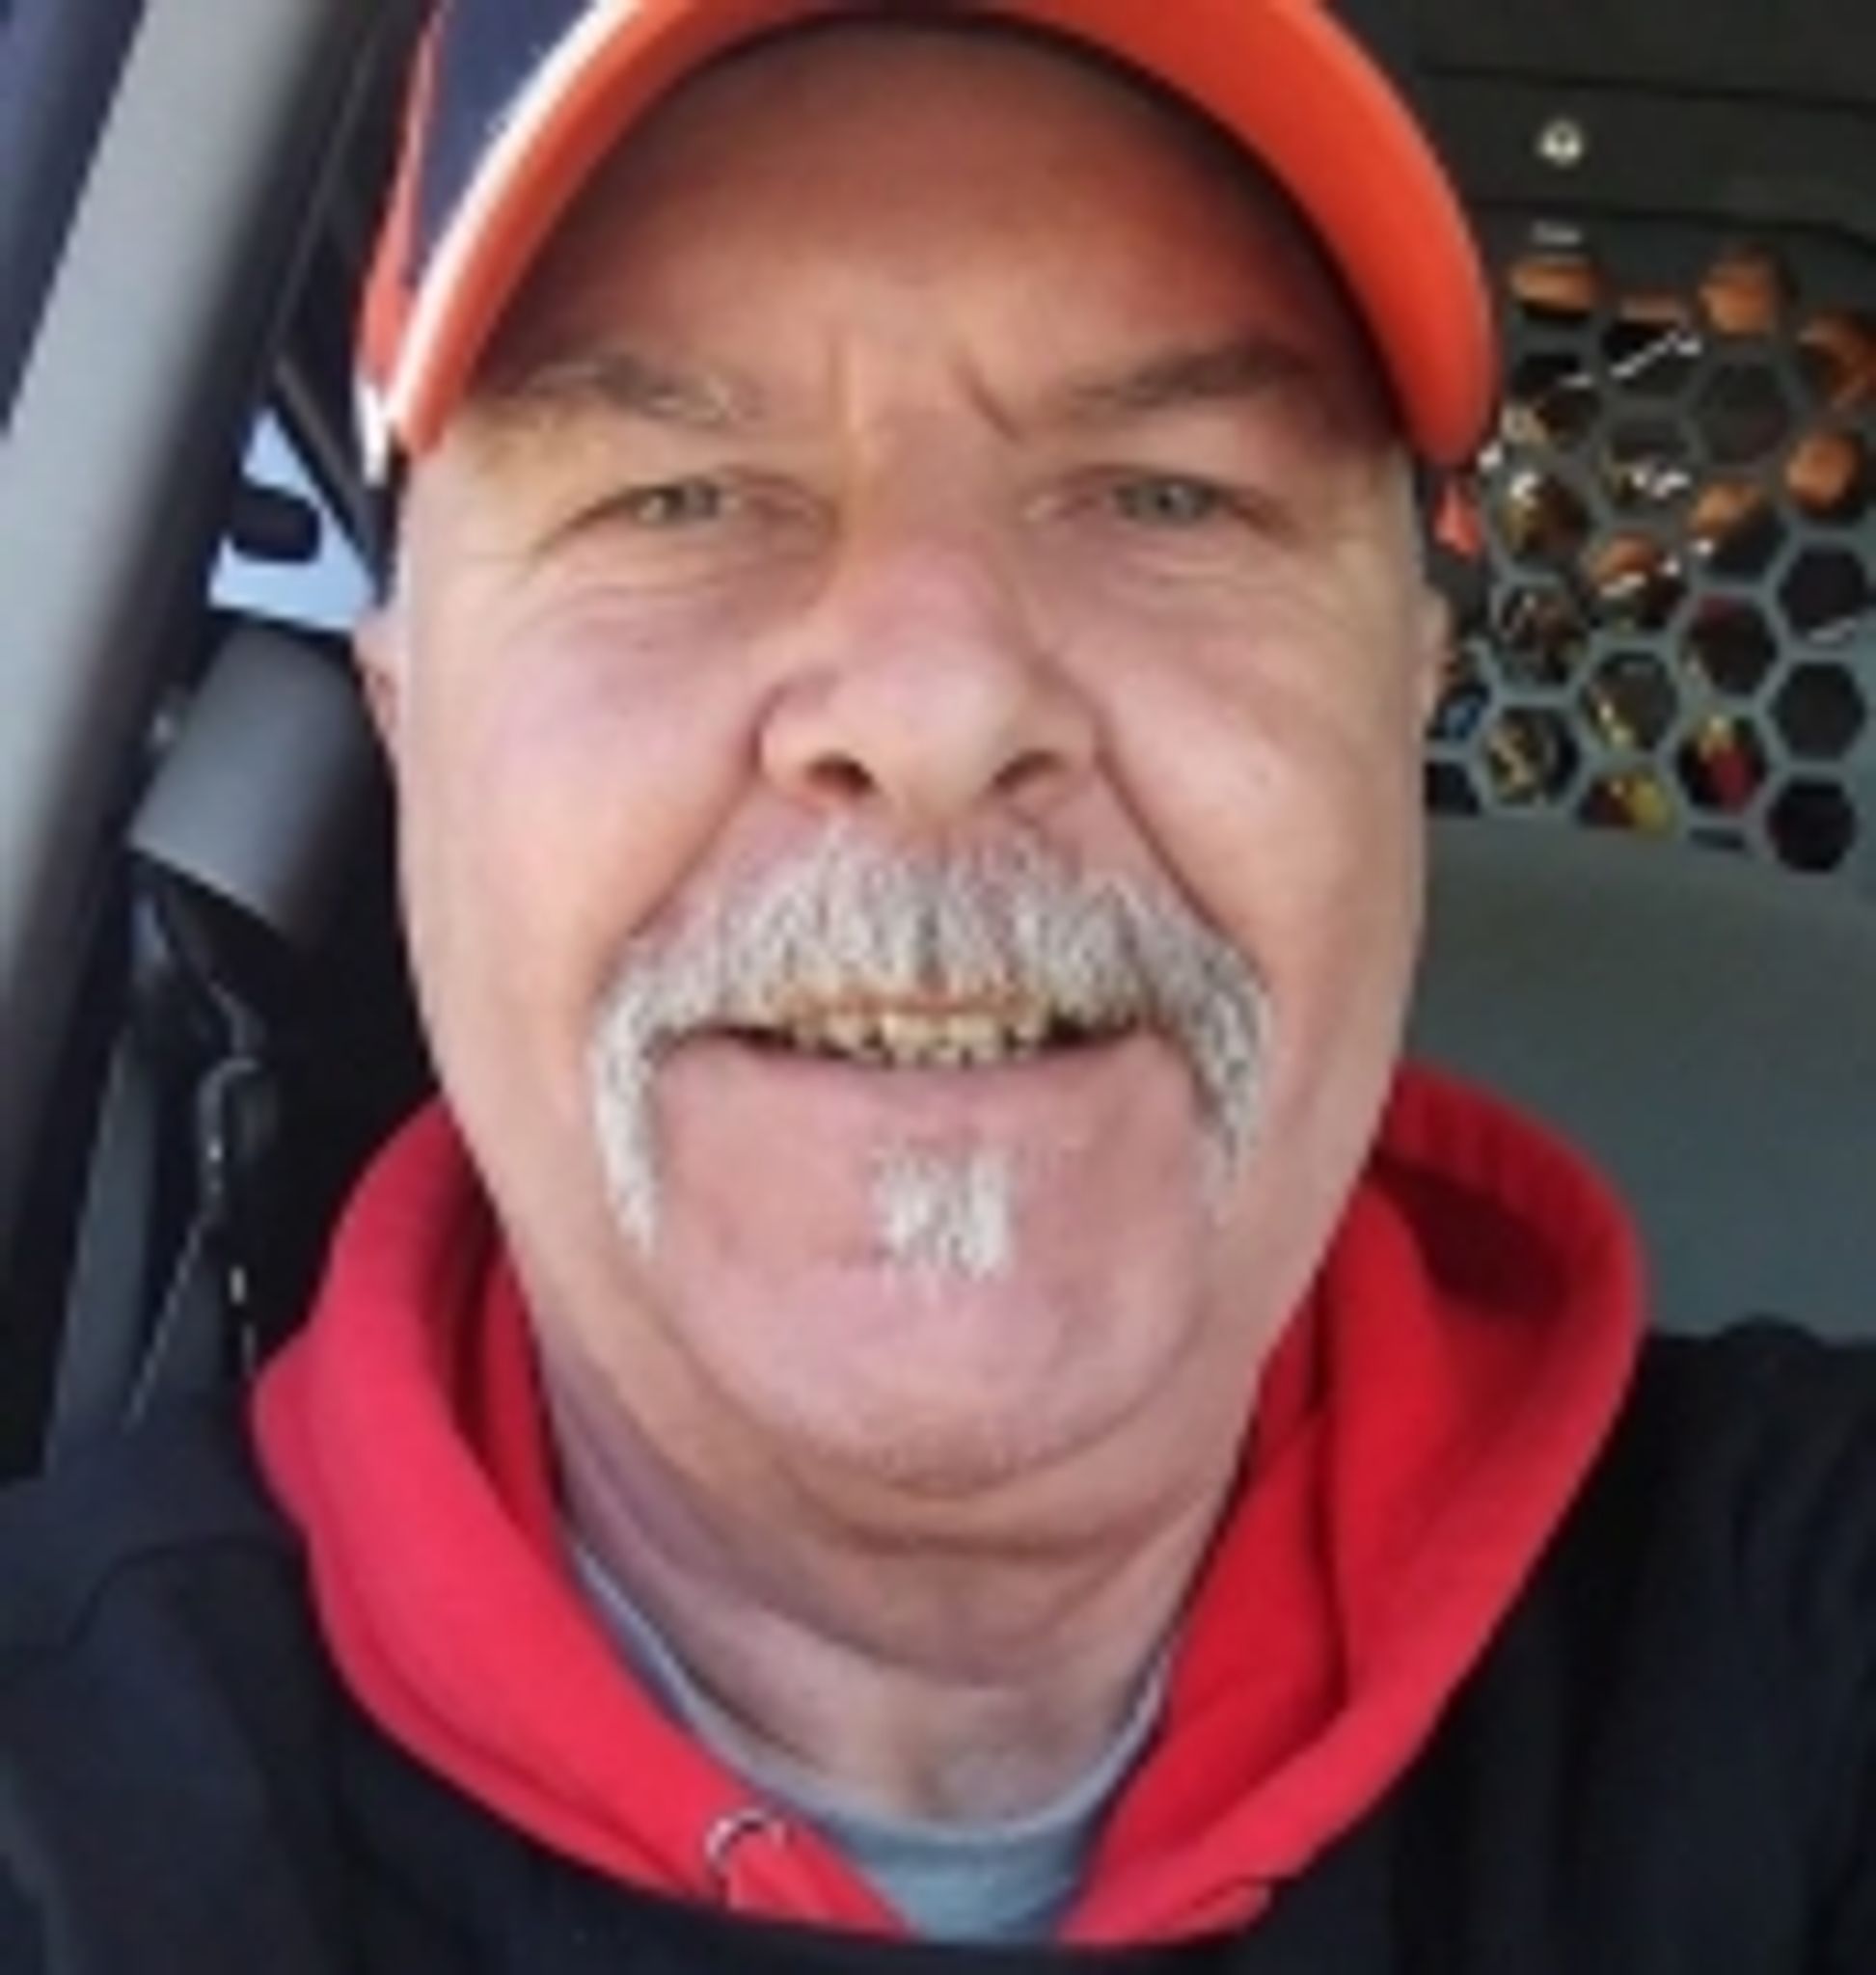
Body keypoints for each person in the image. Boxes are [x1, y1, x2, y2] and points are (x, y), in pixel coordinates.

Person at [1, 3, 1871, 1968]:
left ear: (1402, 690)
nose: (935, 710)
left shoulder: (1794, 1634)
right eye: (676, 498)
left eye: (1164, 494)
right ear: (414, 720)